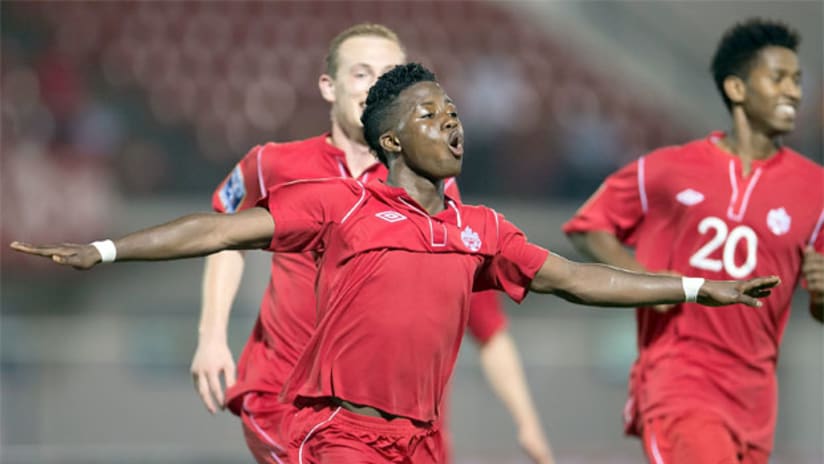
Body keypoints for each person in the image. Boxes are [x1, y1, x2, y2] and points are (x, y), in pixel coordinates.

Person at [11, 63, 780, 464]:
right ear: (387, 141)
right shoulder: (338, 205)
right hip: (342, 437)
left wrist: (696, 286)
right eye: (427, 113)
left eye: (452, 110)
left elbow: (578, 279)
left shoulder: (482, 228)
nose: (448, 119)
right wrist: (107, 249)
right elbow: (216, 232)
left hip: (420, 442)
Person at [198, 23, 554, 463]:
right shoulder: (274, 165)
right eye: (362, 73)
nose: (376, 86)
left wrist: (527, 421)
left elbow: (485, 321)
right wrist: (212, 335)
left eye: (389, 74)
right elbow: (223, 230)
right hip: (286, 402)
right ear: (329, 86)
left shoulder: (436, 194)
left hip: (403, 426)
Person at [562, 18, 823, 464]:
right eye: (778, 78)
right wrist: (645, 282)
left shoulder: (815, 189)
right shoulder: (668, 169)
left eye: (798, 80)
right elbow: (587, 227)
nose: (794, 92)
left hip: (755, 401)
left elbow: (820, 307)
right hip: (679, 380)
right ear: (737, 89)